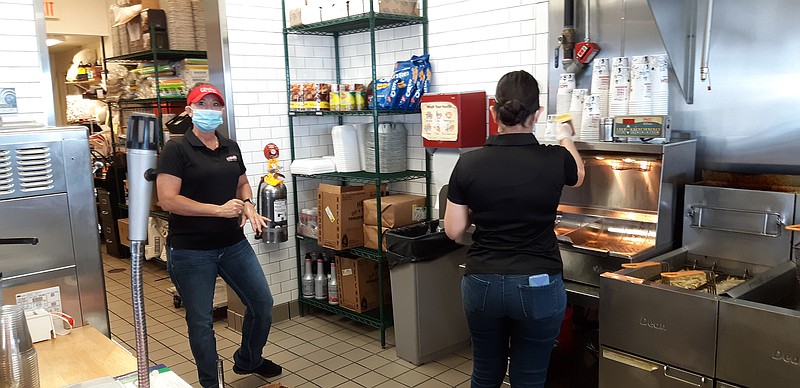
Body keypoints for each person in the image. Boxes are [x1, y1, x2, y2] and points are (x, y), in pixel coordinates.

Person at [444, 70, 585, 388]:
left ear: (494, 111)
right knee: (529, 377)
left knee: (485, 371)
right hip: (538, 284)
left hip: (482, 283)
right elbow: (578, 174)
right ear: (537, 114)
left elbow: (454, 230)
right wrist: (565, 136)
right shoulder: (555, 159)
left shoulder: (468, 163)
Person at [156, 83, 282, 387]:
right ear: (189, 111)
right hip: (191, 251)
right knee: (201, 322)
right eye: (203, 105)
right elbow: (168, 199)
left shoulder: (230, 147)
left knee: (262, 305)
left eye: (215, 105)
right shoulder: (176, 149)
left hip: (233, 244)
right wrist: (218, 210)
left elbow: (242, 183)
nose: (210, 111)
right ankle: (211, 383)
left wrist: (248, 204)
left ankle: (249, 359)